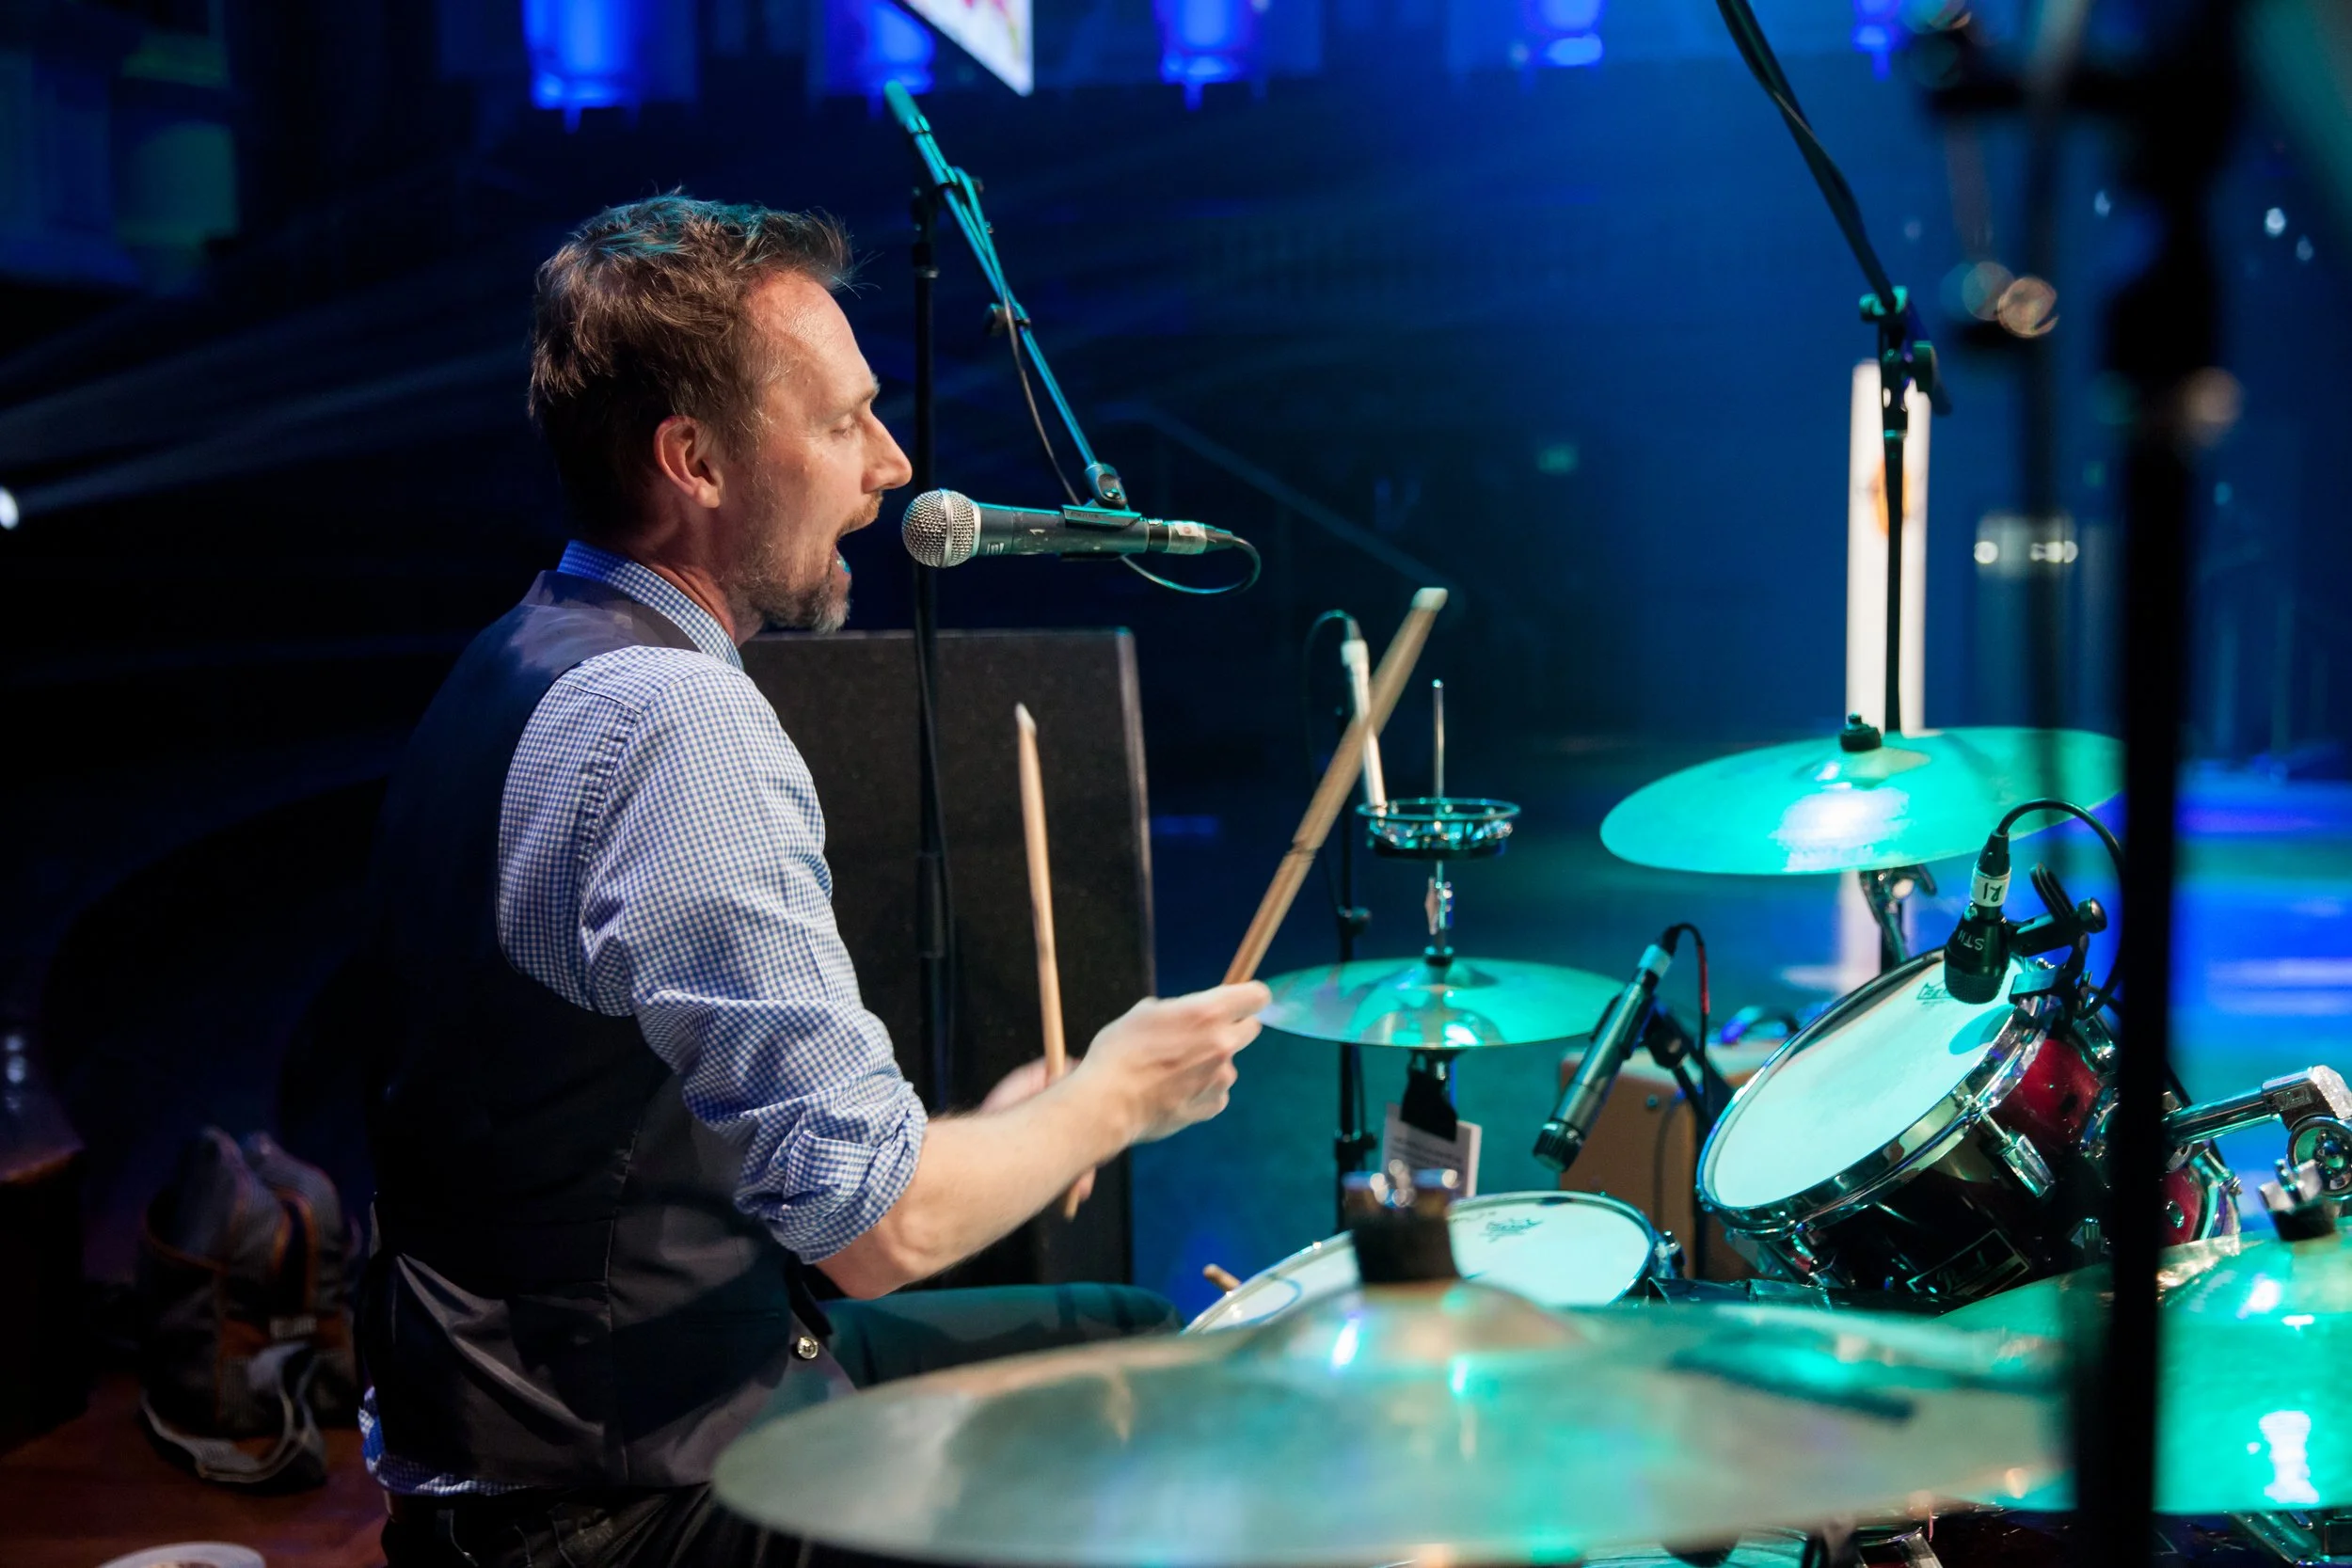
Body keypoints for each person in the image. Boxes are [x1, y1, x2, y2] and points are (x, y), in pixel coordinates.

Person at [355, 196, 1268, 1568]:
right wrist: (1114, 1097)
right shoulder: (675, 725)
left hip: (543, 1418)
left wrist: (1023, 1125)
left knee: (1124, 1339)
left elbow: (605, 1113)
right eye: (843, 422)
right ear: (696, 459)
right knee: (1146, 1449)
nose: (894, 466)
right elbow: (879, 1229)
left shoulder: (517, 653)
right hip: (607, 1509)